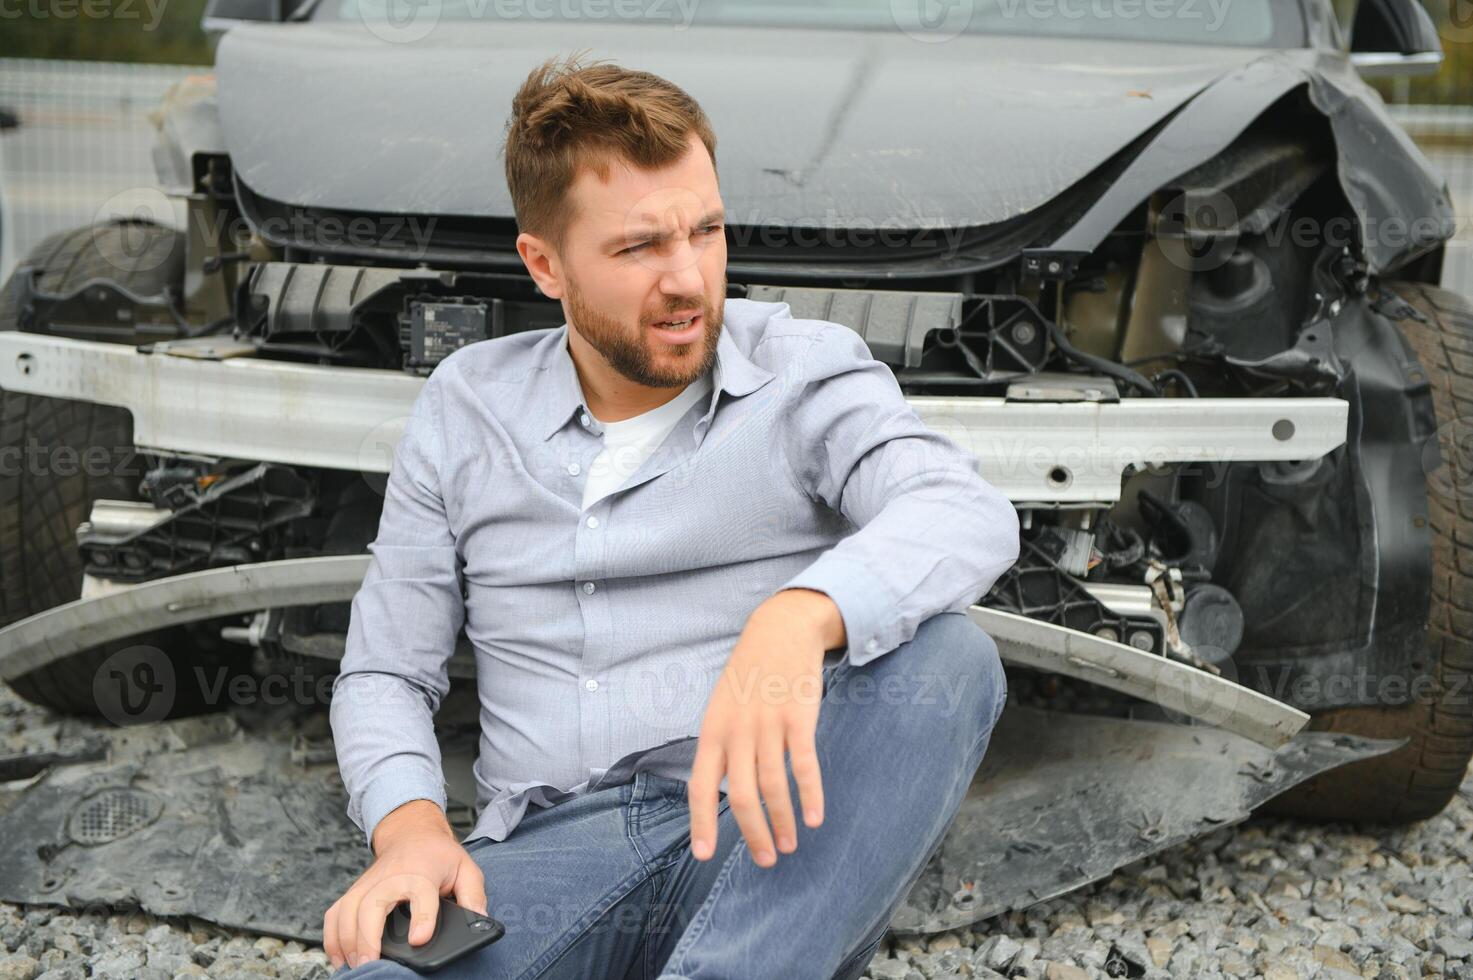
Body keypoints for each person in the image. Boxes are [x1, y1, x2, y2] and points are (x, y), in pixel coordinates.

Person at [324, 52, 1020, 980]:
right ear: (544, 264)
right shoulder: (466, 408)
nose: (689, 279)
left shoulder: (804, 372)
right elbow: (382, 670)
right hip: (550, 853)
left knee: (949, 660)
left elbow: (960, 508)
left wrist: (798, 616)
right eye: (638, 247)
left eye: (706, 230)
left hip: (764, 829)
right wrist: (408, 832)